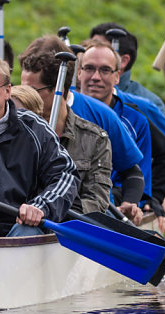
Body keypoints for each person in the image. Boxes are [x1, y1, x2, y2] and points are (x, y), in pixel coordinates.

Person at [20, 35, 145, 222]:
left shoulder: (101, 119)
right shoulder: (15, 124)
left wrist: (132, 202)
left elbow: (131, 171)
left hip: (84, 220)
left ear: (58, 89)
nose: (23, 97)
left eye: (32, 90)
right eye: (22, 87)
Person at [0, 55, 79, 237]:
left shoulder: (34, 128)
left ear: (8, 91)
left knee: (26, 231)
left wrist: (40, 206)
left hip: (20, 224)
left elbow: (65, 175)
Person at [77, 42, 165, 218]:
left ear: (117, 77)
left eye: (104, 70)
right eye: (89, 69)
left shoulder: (137, 121)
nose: (96, 77)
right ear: (79, 73)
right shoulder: (62, 109)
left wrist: (134, 204)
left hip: (114, 199)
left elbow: (138, 176)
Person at [89, 23, 165, 119]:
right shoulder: (76, 93)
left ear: (123, 61)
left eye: (101, 50)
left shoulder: (148, 104)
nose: (90, 54)